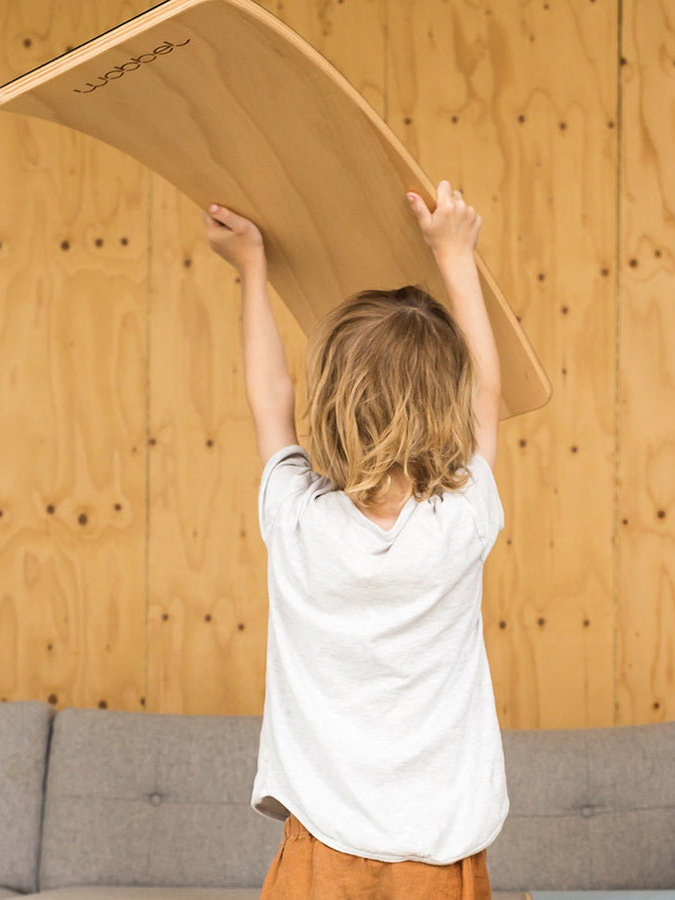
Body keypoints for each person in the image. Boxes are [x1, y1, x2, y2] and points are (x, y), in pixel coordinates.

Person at [203, 180, 507, 899]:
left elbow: (268, 395)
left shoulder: (296, 517)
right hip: (441, 855)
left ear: (332, 399)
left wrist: (254, 270)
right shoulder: (460, 523)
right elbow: (488, 396)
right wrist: (455, 255)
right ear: (444, 409)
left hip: (321, 852)